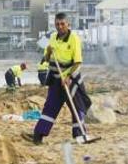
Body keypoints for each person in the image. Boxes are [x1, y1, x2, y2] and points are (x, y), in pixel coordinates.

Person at [23, 13, 92, 145]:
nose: (59, 27)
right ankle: (38, 135)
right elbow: (47, 59)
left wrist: (68, 76)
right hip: (55, 79)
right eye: (57, 24)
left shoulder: (74, 39)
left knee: (76, 106)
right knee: (50, 107)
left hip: (70, 79)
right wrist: (48, 51)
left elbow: (77, 62)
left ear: (68, 24)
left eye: (62, 24)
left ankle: (79, 135)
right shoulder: (53, 37)